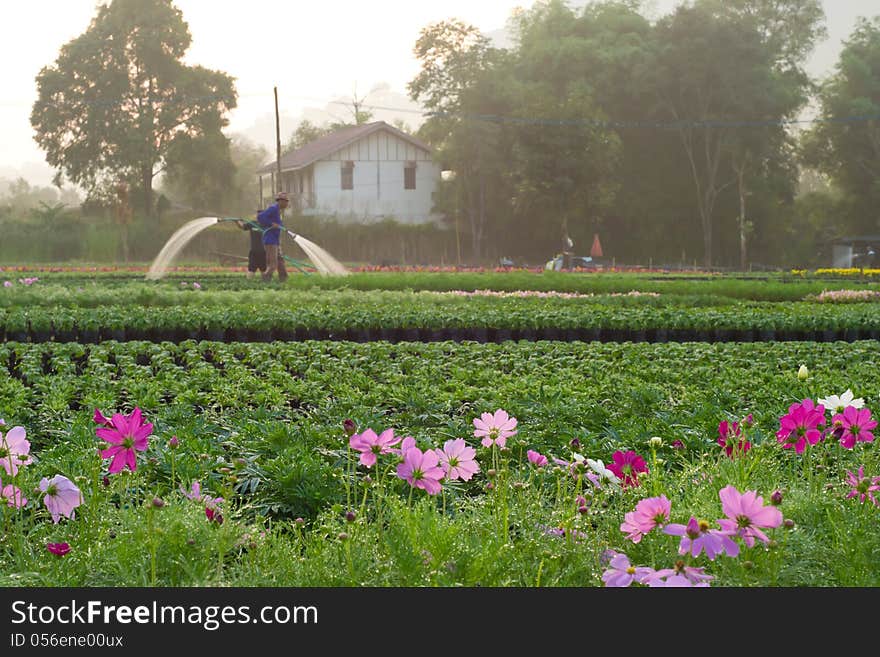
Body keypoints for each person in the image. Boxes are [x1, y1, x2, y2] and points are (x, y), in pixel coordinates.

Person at [257, 191, 290, 282]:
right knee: (273, 265)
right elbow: (260, 217)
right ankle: (265, 280)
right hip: (270, 241)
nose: (287, 203)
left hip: (275, 241)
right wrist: (271, 224)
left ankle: (284, 279)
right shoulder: (273, 208)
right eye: (286, 201)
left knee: (280, 262)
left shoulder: (278, 211)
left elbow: (277, 224)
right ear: (280, 201)